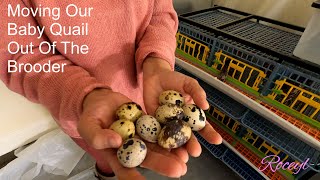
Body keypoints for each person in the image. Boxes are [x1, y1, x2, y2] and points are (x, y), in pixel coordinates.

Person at [0, 1, 222, 179]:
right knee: (106, 152)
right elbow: (22, 54)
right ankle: (104, 171)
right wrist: (86, 95)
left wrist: (157, 60)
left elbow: (161, 12)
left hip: (148, 92)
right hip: (87, 109)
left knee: (128, 148)